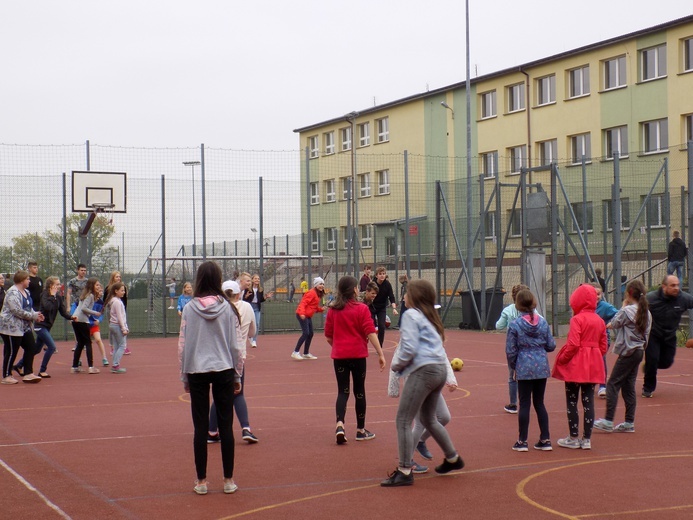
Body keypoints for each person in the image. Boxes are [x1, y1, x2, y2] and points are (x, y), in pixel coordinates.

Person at [381, 279, 464, 487]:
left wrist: (397, 366)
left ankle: (404, 470)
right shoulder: (430, 317)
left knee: (402, 419)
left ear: (414, 297)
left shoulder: (411, 315)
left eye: (406, 293)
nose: (403, 297)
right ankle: (452, 457)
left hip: (423, 371)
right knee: (429, 419)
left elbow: (408, 347)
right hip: (438, 371)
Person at [178, 261, 243, 495]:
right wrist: (237, 373)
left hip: (196, 369)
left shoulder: (189, 308)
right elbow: (236, 345)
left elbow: (183, 345)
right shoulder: (227, 308)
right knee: (226, 425)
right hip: (224, 368)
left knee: (200, 427)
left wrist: (184, 375)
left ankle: (202, 481)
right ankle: (228, 480)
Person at [325, 276, 386, 445]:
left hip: (340, 357)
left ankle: (340, 424)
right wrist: (380, 353)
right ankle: (360, 430)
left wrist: (338, 346)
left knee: (342, 391)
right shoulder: (361, 309)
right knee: (359, 391)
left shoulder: (333, 310)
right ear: (354, 290)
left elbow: (328, 336)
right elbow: (370, 332)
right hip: (358, 356)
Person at [552, 284, 607, 450]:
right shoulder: (599, 320)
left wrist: (562, 358)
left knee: (572, 400)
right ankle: (587, 439)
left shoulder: (576, 319)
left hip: (576, 364)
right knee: (588, 400)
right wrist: (595, 354)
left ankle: (573, 436)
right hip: (592, 365)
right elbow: (603, 345)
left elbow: (573, 344)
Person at [594, 280, 652, 434]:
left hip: (628, 351)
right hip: (639, 350)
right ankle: (629, 422)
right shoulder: (647, 312)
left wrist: (624, 306)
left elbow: (613, 323)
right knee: (628, 386)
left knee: (613, 383)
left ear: (628, 293)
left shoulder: (627, 311)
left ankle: (608, 420)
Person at [208, 280, 259, 444]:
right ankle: (246, 428)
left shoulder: (215, 308)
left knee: (219, 394)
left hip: (218, 357)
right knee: (239, 392)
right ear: (239, 294)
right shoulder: (246, 307)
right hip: (238, 356)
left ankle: (212, 430)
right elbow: (253, 332)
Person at [505, 289, 556, 452]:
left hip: (524, 365)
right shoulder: (542, 322)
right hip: (541, 365)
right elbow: (551, 345)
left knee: (524, 403)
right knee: (540, 403)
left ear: (518, 305)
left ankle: (522, 441)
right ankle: (545, 438)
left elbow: (510, 350)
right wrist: (538, 349)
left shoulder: (515, 324)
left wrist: (514, 366)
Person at [642, 275, 693, 398]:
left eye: (677, 285)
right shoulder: (651, 298)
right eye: (672, 285)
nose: (676, 288)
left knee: (666, 363)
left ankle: (649, 365)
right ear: (664, 287)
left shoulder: (684, 298)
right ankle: (648, 388)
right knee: (653, 359)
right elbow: (636, 310)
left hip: (670, 336)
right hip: (653, 335)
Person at [20, 276, 75, 379]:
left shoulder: (58, 297)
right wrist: (52, 296)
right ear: (51, 285)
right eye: (57, 284)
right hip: (40, 326)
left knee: (36, 349)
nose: (59, 286)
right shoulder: (44, 295)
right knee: (52, 347)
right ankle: (42, 370)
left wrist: (71, 317)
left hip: (47, 326)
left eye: (59, 284)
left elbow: (62, 312)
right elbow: (48, 307)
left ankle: (18, 365)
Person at [0, 271, 44, 384]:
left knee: (31, 347)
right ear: (21, 280)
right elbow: (17, 311)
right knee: (11, 351)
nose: (29, 281)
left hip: (24, 326)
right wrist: (33, 316)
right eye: (27, 279)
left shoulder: (26, 292)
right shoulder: (12, 293)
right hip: (11, 326)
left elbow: (29, 308)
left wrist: (36, 315)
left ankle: (28, 373)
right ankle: (6, 375)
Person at [495, 283, 530, 414]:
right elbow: (541, 321)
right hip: (529, 348)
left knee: (512, 376)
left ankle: (513, 403)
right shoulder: (533, 311)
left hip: (513, 347)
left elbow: (498, 326)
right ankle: (527, 402)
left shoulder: (508, 310)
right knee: (529, 375)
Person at [71, 277, 103, 374]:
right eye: (97, 285)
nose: (99, 286)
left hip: (75, 320)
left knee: (80, 343)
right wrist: (95, 313)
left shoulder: (85, 295)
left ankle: (74, 366)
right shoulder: (90, 296)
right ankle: (91, 367)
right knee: (88, 343)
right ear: (92, 286)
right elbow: (84, 309)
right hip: (82, 320)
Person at [592, 283, 618, 398]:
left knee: (601, 359)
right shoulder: (584, 306)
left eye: (598, 294)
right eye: (594, 294)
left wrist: (612, 323)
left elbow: (619, 314)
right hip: (588, 340)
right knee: (589, 361)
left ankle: (602, 386)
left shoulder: (605, 307)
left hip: (602, 339)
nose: (596, 296)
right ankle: (590, 382)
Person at [292, 277, 325, 360]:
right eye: (320, 284)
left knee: (310, 333)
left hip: (308, 315)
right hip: (302, 315)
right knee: (306, 333)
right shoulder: (311, 293)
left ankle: (306, 353)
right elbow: (303, 303)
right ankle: (295, 352)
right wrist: (302, 313)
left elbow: (313, 306)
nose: (322, 286)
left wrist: (321, 309)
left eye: (323, 284)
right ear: (316, 285)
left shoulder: (317, 294)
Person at [242, 274, 274, 348]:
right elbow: (244, 299)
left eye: (258, 279)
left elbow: (260, 300)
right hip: (249, 307)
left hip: (257, 308)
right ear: (252, 280)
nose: (257, 280)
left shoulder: (260, 289)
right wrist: (246, 296)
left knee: (257, 324)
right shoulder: (247, 289)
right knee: (248, 324)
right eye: (255, 279)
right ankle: (249, 336)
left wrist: (266, 297)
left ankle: (254, 340)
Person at [104, 282, 128, 374]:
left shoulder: (112, 300)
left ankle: (115, 365)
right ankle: (115, 365)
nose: (123, 292)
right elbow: (120, 317)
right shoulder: (117, 302)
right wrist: (124, 328)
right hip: (117, 325)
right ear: (116, 291)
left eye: (124, 291)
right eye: (121, 291)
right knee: (122, 345)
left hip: (113, 325)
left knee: (116, 346)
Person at [105, 271, 131, 356]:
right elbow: (105, 300)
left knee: (123, 326)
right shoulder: (108, 288)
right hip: (111, 311)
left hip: (120, 309)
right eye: (116, 277)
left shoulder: (123, 287)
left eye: (119, 277)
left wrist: (124, 309)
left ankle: (124, 346)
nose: (118, 278)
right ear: (113, 278)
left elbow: (125, 300)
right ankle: (112, 347)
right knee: (113, 328)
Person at [372, 266, 398, 349]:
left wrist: (394, 308)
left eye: (383, 274)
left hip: (381, 308)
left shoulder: (387, 284)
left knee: (382, 326)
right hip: (372, 307)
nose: (382, 275)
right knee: (371, 325)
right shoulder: (372, 284)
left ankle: (379, 345)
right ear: (376, 275)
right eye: (380, 274)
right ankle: (369, 339)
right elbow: (367, 295)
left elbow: (391, 297)